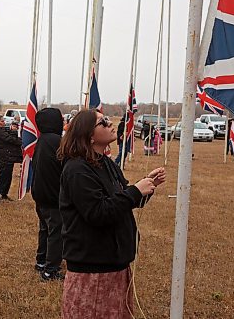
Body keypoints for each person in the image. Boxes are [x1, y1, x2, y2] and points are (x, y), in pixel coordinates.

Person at [58, 109, 166, 319]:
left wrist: (147, 185)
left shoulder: (105, 162)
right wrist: (135, 191)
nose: (110, 124)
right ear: (89, 135)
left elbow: (121, 200)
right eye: (103, 122)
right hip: (92, 269)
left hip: (114, 264)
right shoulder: (77, 170)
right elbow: (97, 213)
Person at [31, 108, 64, 281]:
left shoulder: (43, 140)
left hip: (41, 195)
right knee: (56, 233)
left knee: (45, 229)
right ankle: (51, 269)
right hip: (53, 198)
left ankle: (41, 260)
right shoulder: (57, 141)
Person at [0, 114, 22, 203]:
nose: (4, 123)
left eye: (4, 121)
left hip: (8, 157)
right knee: (2, 177)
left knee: (8, 176)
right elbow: (10, 139)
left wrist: (13, 131)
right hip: (2, 158)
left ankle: (4, 193)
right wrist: (21, 141)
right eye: (2, 121)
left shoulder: (2, 130)